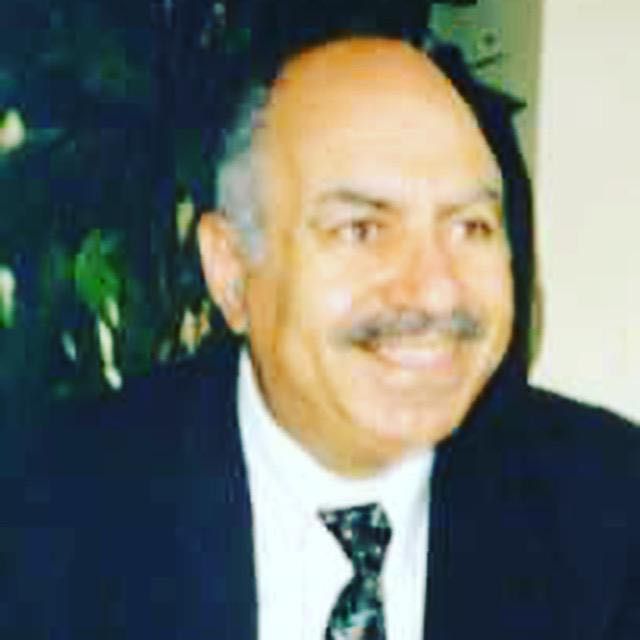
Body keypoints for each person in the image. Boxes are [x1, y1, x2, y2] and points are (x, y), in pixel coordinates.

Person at [4, 36, 639, 640]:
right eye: (361, 229)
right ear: (231, 271)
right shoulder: (46, 513)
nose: (435, 291)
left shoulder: (610, 510)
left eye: (471, 227)